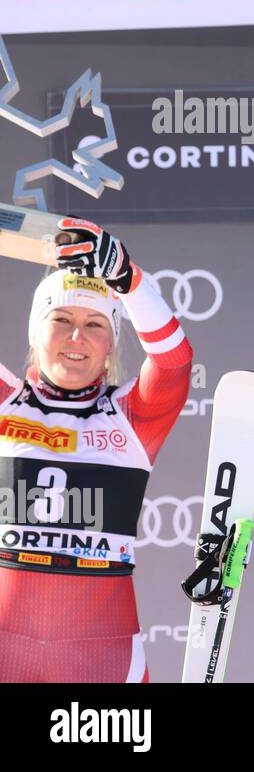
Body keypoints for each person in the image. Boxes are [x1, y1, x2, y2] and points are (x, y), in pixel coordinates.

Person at [0, 218, 191, 682]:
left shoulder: (132, 416)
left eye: (94, 324)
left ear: (110, 344)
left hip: (104, 659)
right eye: (61, 320)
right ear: (35, 332)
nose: (76, 337)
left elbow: (174, 362)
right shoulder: (6, 401)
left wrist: (129, 282)